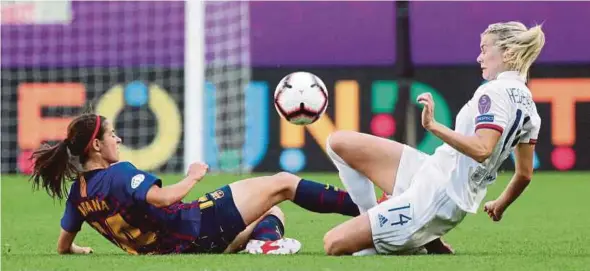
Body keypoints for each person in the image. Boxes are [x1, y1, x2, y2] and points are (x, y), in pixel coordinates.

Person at [321, 21, 545, 256]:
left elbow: (482, 149)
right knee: (339, 142)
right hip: (431, 170)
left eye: (485, 49)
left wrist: (433, 126)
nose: (480, 57)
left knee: (334, 244)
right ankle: (377, 219)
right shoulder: (529, 105)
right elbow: (524, 174)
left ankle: (413, 240)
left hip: (437, 198)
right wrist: (500, 205)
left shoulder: (493, 91)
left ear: (507, 53)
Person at [30, 113, 362, 255]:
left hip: (178, 246)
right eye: (111, 134)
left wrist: (76, 249)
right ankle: (372, 209)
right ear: (97, 146)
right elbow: (162, 199)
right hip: (197, 225)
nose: (118, 138)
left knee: (269, 209)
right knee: (284, 183)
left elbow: (63, 245)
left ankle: (264, 244)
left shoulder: (79, 193)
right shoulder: (119, 173)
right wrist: (193, 175)